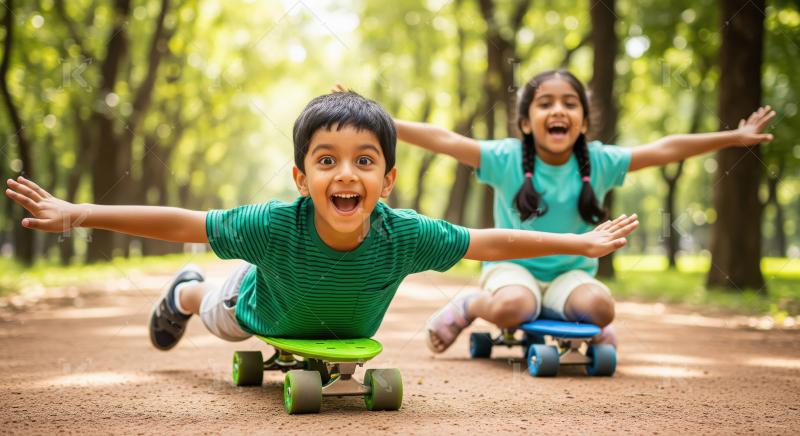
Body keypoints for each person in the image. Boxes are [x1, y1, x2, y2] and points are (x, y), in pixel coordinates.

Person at [5, 91, 638, 351]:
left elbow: (488, 241)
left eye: (365, 161)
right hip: (256, 310)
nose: (346, 175)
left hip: (333, 329)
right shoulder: (275, 223)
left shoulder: (404, 232)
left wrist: (576, 240)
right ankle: (186, 290)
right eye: (326, 161)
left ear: (387, 180)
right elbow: (184, 221)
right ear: (301, 178)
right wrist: (79, 212)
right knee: (218, 315)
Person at [394, 69, 775, 353]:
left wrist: (734, 137)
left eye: (569, 103)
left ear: (584, 122)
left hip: (571, 273)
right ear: (526, 122)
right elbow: (444, 139)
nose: (558, 110)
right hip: (512, 269)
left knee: (600, 307)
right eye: (545, 103)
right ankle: (472, 304)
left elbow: (665, 148)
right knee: (515, 306)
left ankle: (573, 319)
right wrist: (385, 123)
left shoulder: (600, 161)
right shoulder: (503, 157)